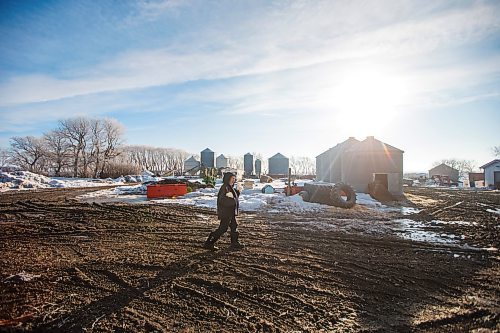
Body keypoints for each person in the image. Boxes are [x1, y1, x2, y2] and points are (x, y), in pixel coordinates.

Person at [204, 172, 244, 250]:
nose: (234, 180)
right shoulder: (225, 187)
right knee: (223, 228)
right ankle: (209, 243)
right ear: (227, 179)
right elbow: (223, 200)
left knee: (234, 226)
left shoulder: (229, 187)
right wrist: (232, 200)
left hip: (230, 212)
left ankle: (234, 243)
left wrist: (238, 192)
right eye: (232, 178)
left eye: (234, 178)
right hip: (226, 212)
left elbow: (233, 197)